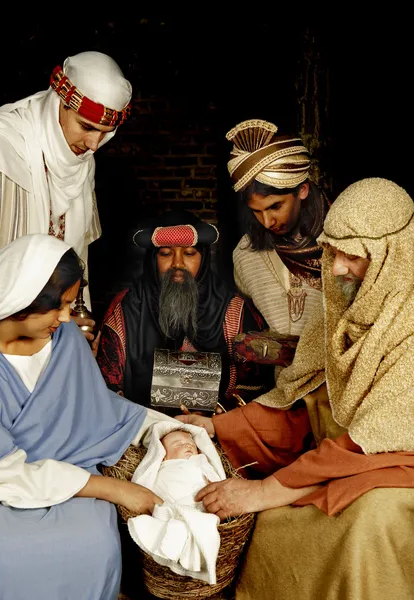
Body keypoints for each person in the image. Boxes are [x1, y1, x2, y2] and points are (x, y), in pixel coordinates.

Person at [177, 178, 414, 599]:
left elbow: (371, 445)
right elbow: (303, 406)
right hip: (341, 466)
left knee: (368, 524)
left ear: (389, 259)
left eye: (352, 257)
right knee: (272, 525)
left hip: (394, 477)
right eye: (332, 251)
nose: (336, 268)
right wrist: (217, 429)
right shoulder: (342, 306)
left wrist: (264, 491)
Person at [0, 233, 177, 600]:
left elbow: (100, 407)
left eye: (70, 304)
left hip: (70, 476)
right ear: (21, 300)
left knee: (94, 542)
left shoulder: (67, 342)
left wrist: (167, 427)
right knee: (3, 552)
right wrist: (116, 490)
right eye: (57, 306)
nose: (66, 318)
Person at [0, 50, 132, 341]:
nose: (94, 144)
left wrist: (75, 328)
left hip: (51, 331)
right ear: (60, 103)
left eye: (106, 133)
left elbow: (76, 259)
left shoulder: (81, 161)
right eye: (87, 127)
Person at [96, 209, 267, 410]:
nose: (177, 264)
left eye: (189, 253)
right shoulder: (127, 307)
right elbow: (106, 384)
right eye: (166, 254)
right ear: (153, 258)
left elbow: (256, 382)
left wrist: (223, 410)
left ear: (203, 258)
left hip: (216, 428)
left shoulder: (233, 309)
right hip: (144, 427)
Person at [226, 118, 330, 336]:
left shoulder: (343, 244)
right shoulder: (245, 254)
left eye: (275, 206)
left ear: (301, 191)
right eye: (257, 211)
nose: (267, 221)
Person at [127, 421, 225, 584]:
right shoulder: (161, 468)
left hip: (199, 503)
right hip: (171, 503)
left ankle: (189, 520)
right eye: (178, 444)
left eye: (190, 443)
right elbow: (147, 489)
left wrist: (212, 481)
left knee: (202, 513)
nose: (187, 445)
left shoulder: (200, 462)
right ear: (163, 454)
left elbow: (217, 484)